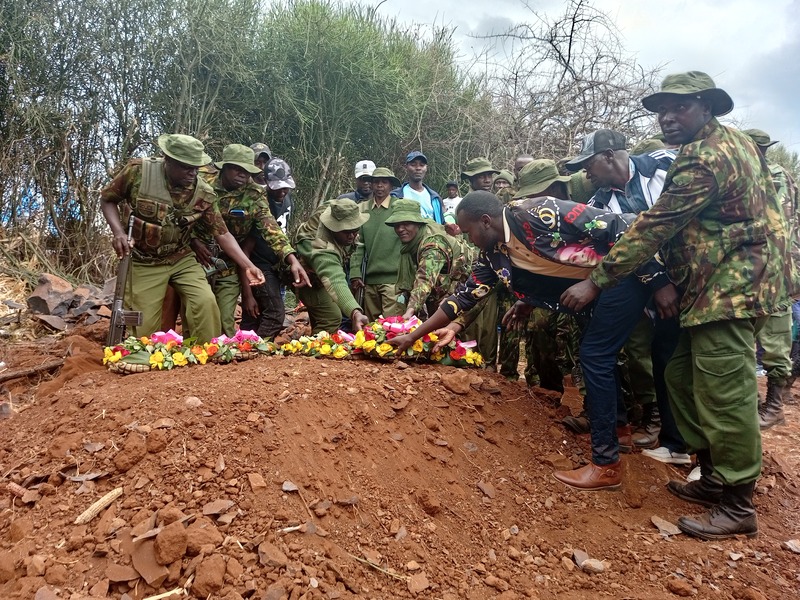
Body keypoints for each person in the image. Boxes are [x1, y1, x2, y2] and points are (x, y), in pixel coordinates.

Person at [561, 71, 790, 540]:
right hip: (711, 281)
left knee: (724, 390)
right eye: (661, 109)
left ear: (706, 107)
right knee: (680, 375)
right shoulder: (716, 145)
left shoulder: (702, 159)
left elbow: (652, 226)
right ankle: (712, 476)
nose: (666, 117)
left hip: (733, 283)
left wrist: (597, 282)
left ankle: (738, 502)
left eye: (679, 107)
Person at [565, 129, 688, 465]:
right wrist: (658, 283)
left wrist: (665, 282)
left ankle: (709, 457)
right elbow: (618, 250)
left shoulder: (667, 163)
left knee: (693, 360)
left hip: (698, 274)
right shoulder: (599, 205)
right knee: (664, 357)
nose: (585, 173)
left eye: (588, 164)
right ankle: (676, 444)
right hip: (650, 288)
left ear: (608, 156)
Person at [99, 133, 265, 343]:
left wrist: (248, 265)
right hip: (144, 260)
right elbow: (107, 199)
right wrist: (118, 233)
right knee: (145, 328)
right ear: (168, 160)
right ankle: (142, 359)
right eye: (187, 167)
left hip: (181, 258)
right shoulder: (139, 171)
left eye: (196, 167)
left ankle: (205, 357)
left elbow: (222, 233)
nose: (193, 173)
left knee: (205, 303)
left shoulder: (203, 192)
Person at [191, 144, 309, 336]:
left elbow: (272, 229)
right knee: (196, 310)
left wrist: (292, 259)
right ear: (224, 167)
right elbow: (183, 216)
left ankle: (222, 359)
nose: (242, 175)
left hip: (229, 262)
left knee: (225, 317)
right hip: (196, 256)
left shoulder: (254, 194)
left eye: (247, 171)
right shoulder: (202, 183)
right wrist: (193, 241)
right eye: (237, 169)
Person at [744, 128, 799, 429]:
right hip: (767, 268)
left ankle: (774, 406)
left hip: (775, 270)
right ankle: (753, 403)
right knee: (751, 337)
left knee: (774, 338)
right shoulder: (772, 174)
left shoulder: (773, 175)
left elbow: (777, 227)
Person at [384, 199, 474, 320]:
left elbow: (425, 279)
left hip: (470, 289)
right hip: (442, 290)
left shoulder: (433, 245)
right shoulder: (413, 241)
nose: (400, 229)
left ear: (418, 223)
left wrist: (409, 311)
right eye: (397, 225)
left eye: (406, 224)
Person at [240, 157, 298, 339]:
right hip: (258, 265)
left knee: (257, 314)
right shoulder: (259, 203)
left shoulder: (288, 200)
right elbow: (246, 251)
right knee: (274, 313)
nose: (282, 191)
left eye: (286, 186)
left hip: (277, 264)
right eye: (277, 187)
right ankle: (258, 349)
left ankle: (245, 349)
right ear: (266, 182)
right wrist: (247, 294)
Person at [294, 199, 370, 333]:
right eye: (346, 232)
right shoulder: (321, 245)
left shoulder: (336, 208)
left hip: (318, 274)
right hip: (303, 276)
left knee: (321, 316)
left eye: (355, 230)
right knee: (331, 317)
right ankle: (318, 351)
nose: (352, 236)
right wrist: (355, 312)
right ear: (332, 227)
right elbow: (334, 277)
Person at [351, 167, 405, 320]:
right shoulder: (362, 209)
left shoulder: (399, 207)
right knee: (371, 328)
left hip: (394, 280)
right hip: (369, 280)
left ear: (391, 185)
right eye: (376, 182)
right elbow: (358, 244)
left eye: (384, 182)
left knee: (392, 326)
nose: (380, 185)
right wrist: (355, 273)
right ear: (371, 184)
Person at [392, 151, 445, 224]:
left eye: (422, 165)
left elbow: (441, 224)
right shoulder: (396, 196)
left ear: (426, 168)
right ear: (406, 167)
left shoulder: (435, 198)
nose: (418, 168)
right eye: (413, 165)